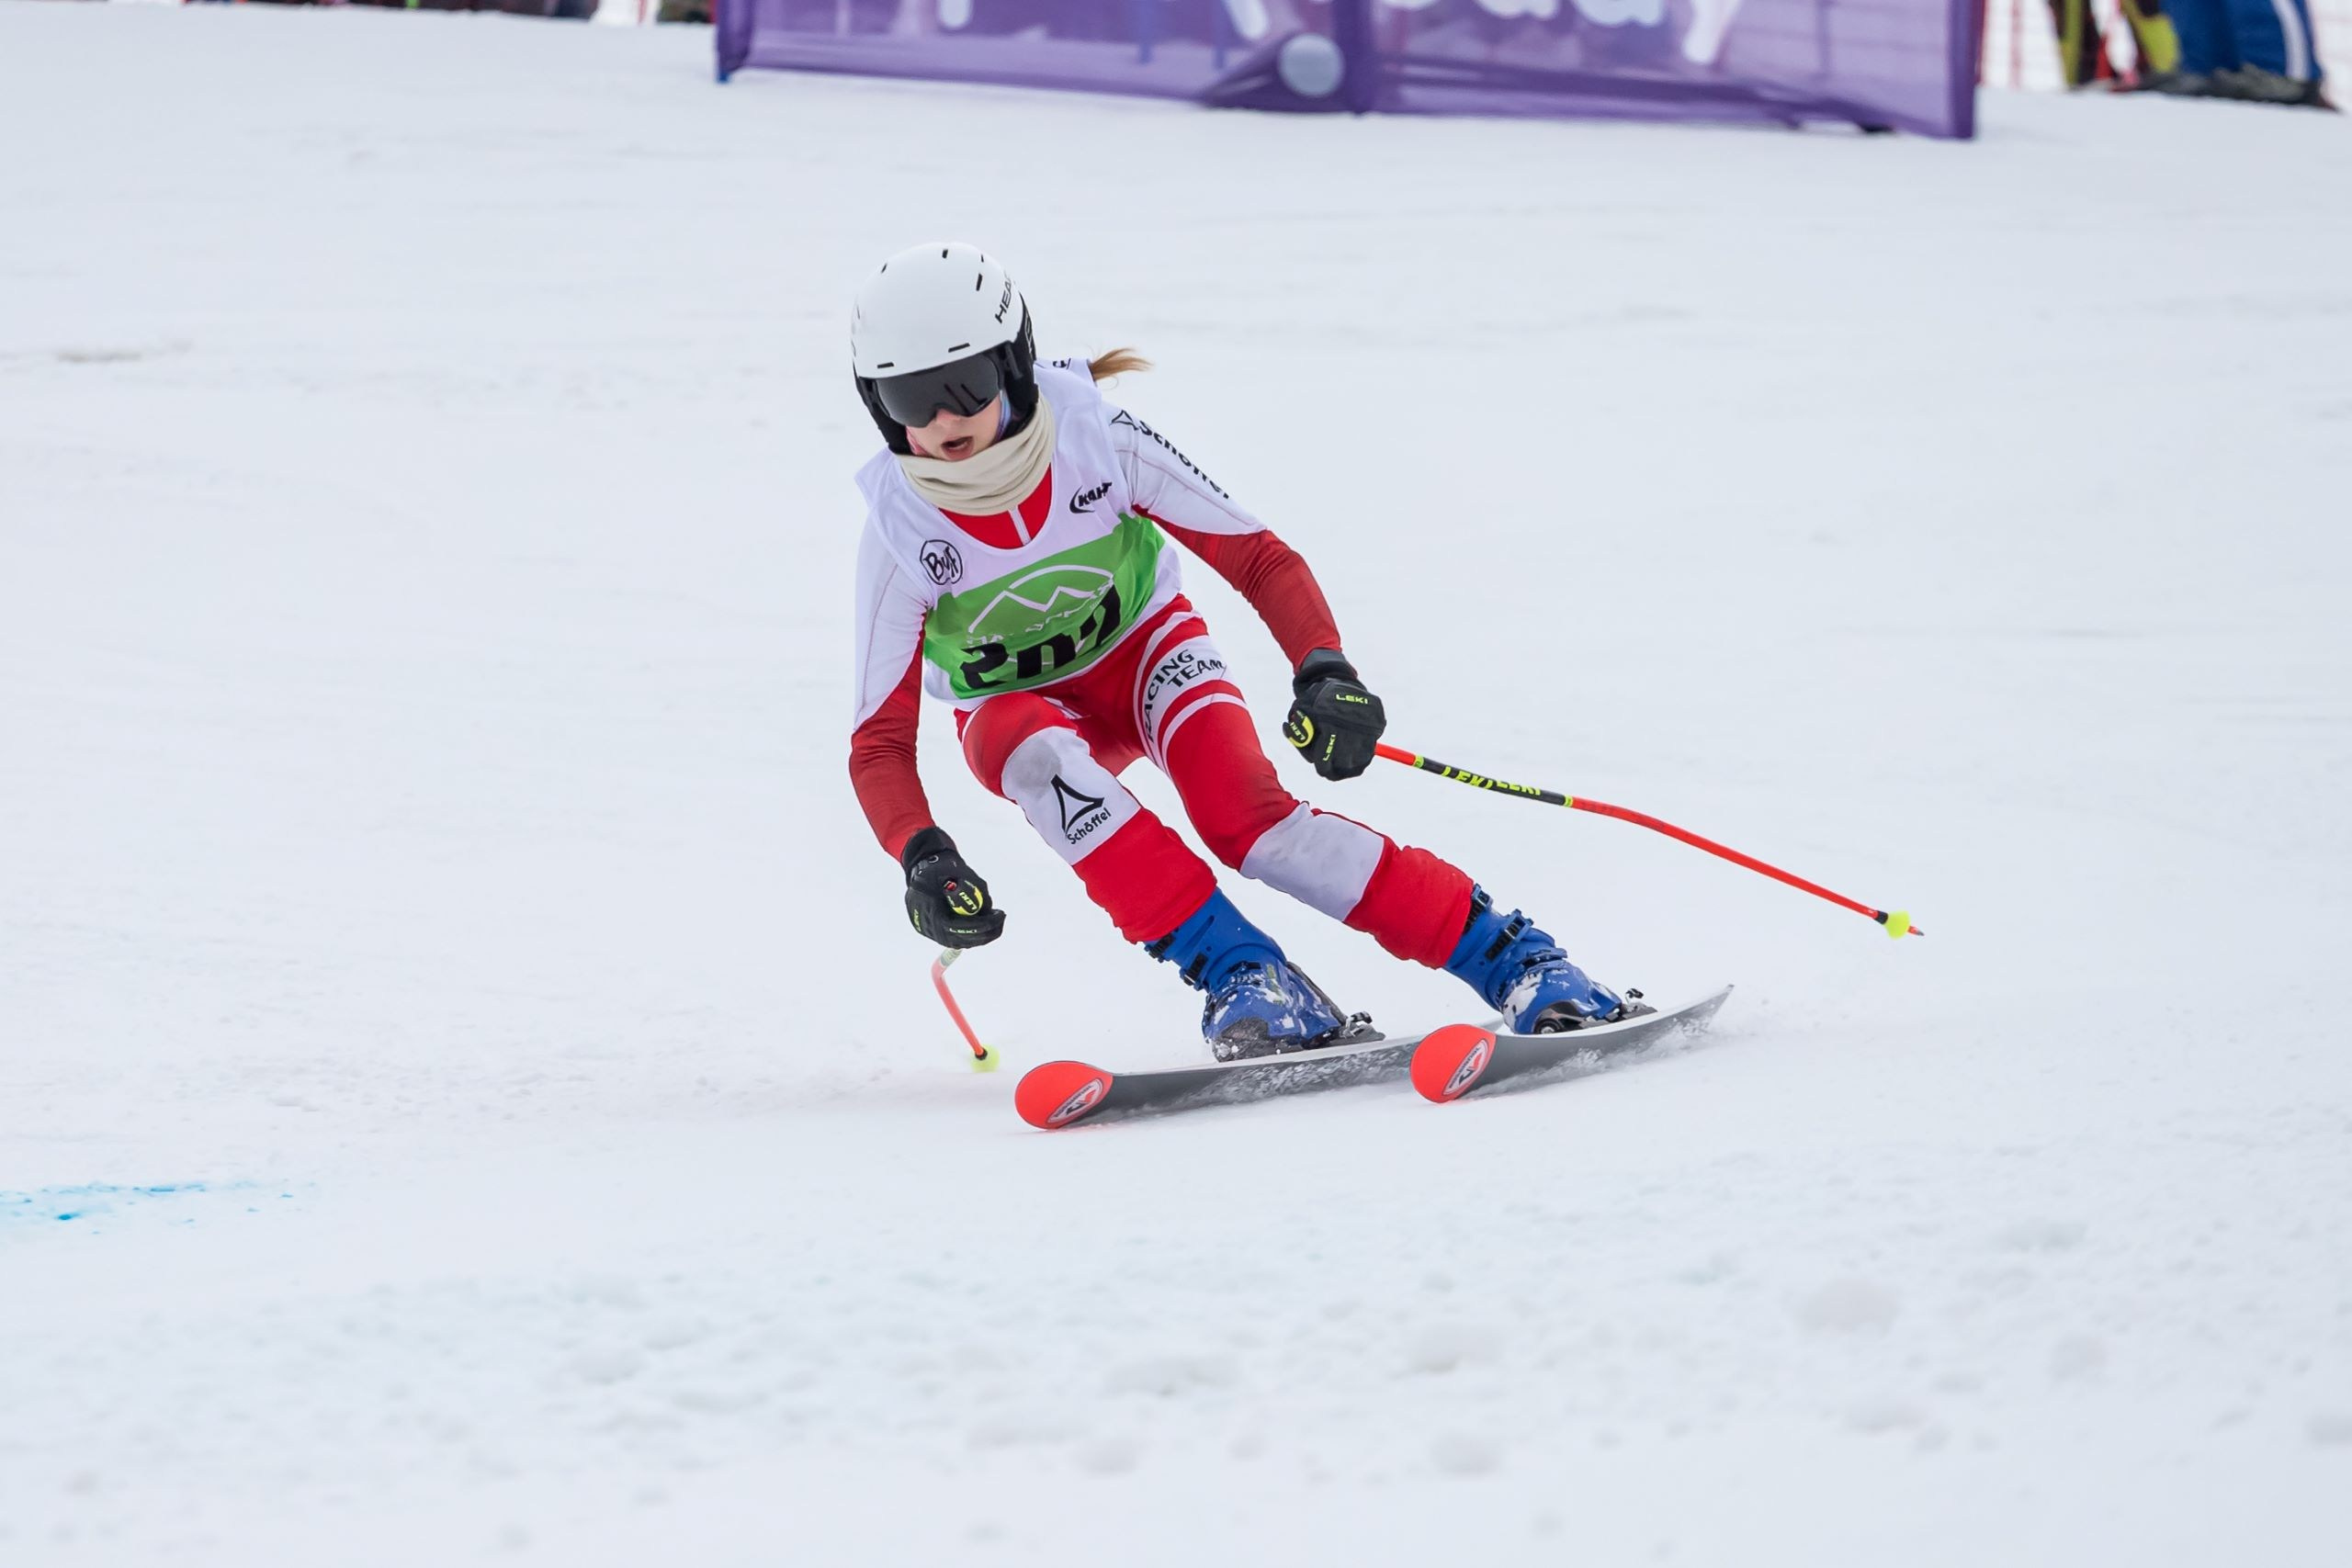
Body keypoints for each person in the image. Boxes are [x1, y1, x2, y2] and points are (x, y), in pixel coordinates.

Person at [845, 242, 1636, 1059]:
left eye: (964, 386)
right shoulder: (899, 537)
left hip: (1147, 656)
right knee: (1022, 745)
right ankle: (1245, 975)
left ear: (1012, 367)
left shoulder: (1095, 438)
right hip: (1022, 712)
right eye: (912, 396)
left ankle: (1516, 957)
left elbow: (1260, 558)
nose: (942, 422)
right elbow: (877, 743)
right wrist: (922, 853)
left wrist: (1324, 669)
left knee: (1249, 826)